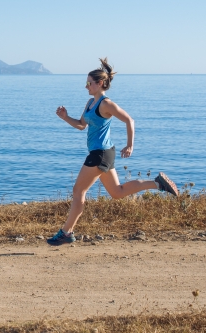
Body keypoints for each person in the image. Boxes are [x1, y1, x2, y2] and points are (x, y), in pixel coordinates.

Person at [46, 58, 178, 246]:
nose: (86, 86)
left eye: (89, 83)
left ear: (99, 84)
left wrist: (130, 145)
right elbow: (81, 125)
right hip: (103, 153)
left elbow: (129, 120)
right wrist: (65, 117)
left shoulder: (106, 104)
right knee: (117, 192)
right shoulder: (90, 103)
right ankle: (157, 183)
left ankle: (67, 232)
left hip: (100, 154)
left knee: (78, 191)